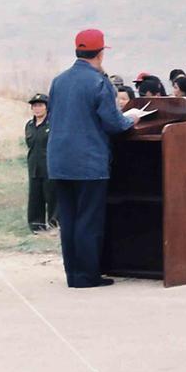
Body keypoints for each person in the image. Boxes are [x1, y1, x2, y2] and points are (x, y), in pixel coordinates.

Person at [47, 29, 139, 287]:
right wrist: (132, 118)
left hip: (59, 161)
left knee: (69, 219)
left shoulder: (58, 81)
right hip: (89, 162)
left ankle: (73, 274)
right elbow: (114, 124)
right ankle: (87, 276)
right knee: (88, 219)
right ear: (100, 53)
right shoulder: (100, 83)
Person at [24, 93, 57, 232]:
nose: (37, 109)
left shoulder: (53, 123)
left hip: (49, 166)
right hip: (34, 165)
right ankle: (36, 226)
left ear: (46, 107)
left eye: (40, 105)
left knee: (52, 197)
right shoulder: (30, 125)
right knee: (35, 197)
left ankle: (54, 225)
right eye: (34, 106)